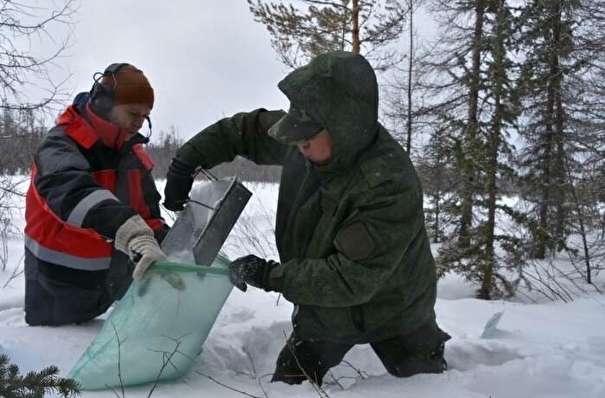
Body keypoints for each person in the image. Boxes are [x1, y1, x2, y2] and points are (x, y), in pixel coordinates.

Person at [163, 51, 450, 385]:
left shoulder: (388, 185)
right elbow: (242, 132)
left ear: (344, 128)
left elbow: (348, 279)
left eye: (307, 138)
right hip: (326, 315)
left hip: (398, 311)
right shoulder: (308, 135)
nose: (299, 146)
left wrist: (270, 275)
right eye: (297, 136)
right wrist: (186, 162)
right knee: (289, 386)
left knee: (432, 388)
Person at [24, 63, 169, 326]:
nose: (138, 122)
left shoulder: (132, 154)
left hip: (106, 286)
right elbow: (70, 190)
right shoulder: (61, 144)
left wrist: (169, 249)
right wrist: (132, 231)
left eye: (145, 115)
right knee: (55, 361)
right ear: (104, 103)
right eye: (133, 112)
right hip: (56, 287)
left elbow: (148, 214)